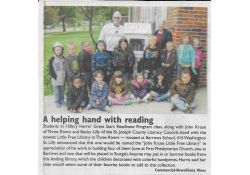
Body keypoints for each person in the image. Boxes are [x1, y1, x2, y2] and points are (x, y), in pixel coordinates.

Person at [48, 42, 66, 108]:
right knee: (56, 92)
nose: (58, 51)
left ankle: (62, 100)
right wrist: (54, 76)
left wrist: (65, 76)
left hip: (62, 78)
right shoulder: (51, 59)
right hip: (55, 78)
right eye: (56, 50)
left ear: (62, 50)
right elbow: (50, 69)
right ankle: (57, 101)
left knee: (62, 91)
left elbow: (65, 68)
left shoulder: (63, 58)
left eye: (60, 50)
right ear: (54, 50)